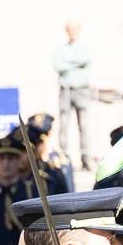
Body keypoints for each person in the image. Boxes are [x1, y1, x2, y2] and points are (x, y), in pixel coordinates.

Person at [53, 20, 93, 171]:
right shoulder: (61, 49)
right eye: (69, 30)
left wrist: (68, 65)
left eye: (74, 30)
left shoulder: (84, 48)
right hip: (66, 90)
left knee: (83, 126)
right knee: (63, 125)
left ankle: (86, 159)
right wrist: (75, 65)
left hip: (81, 89)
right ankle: (64, 159)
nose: (72, 33)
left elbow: (85, 60)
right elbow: (58, 65)